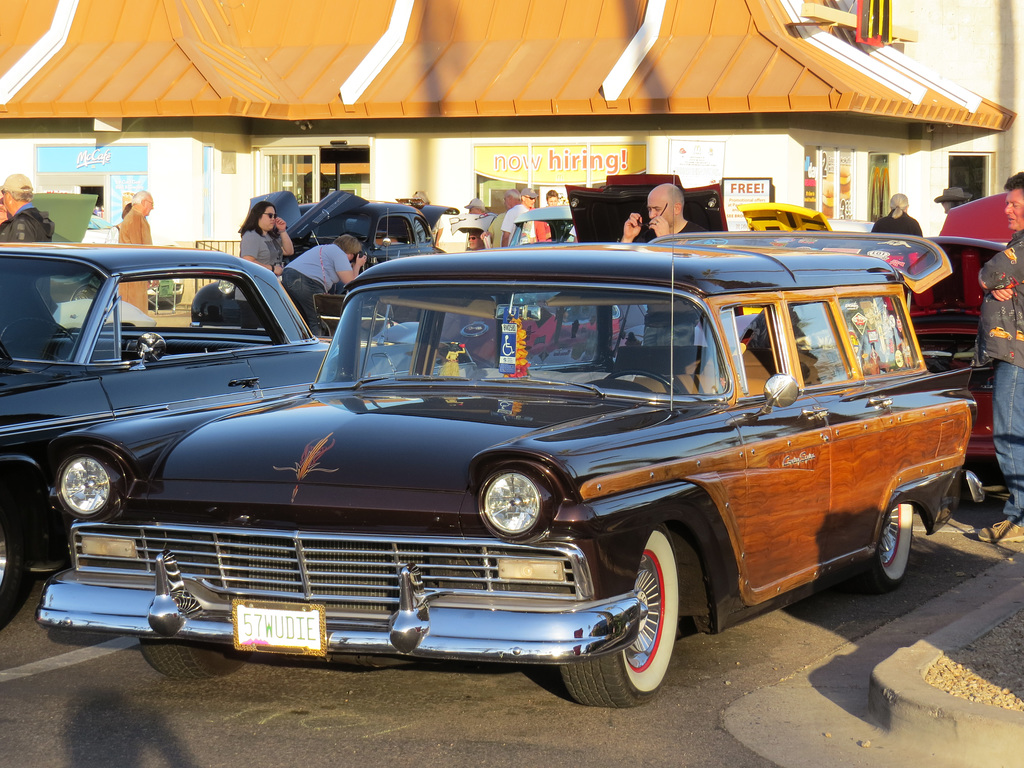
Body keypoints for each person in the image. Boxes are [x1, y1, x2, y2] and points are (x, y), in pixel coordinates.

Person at [975, 171, 1024, 544]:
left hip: (1017, 356)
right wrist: (998, 293)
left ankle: (1018, 518)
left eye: (1014, 204)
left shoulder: (1019, 251)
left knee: (1009, 436)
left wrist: (993, 288)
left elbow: (988, 273)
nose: (1006, 209)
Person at [281, 234, 366, 336]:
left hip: (289, 276)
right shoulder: (339, 253)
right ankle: (318, 346)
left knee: (301, 317)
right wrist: (358, 265)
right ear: (351, 252)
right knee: (318, 318)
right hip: (306, 280)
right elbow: (350, 282)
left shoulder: (325, 249)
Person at [621, 183, 706, 243]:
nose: (651, 215)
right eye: (649, 209)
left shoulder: (700, 238)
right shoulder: (648, 236)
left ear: (676, 208)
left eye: (657, 209)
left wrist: (666, 240)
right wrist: (627, 238)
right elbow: (623, 265)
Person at [239, 200, 292, 276]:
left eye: (275, 216)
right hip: (258, 280)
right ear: (258, 215)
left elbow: (289, 251)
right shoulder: (251, 235)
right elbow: (248, 261)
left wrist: (282, 230)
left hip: (272, 279)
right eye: (270, 215)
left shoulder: (271, 235)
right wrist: (272, 268)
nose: (273, 219)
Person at [0, 174, 55, 242]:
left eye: (3, 193)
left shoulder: (21, 223)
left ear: (8, 196)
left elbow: (18, 252)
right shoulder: (39, 219)